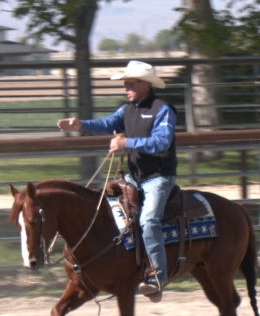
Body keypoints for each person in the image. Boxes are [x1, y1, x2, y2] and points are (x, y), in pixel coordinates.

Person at [57, 60, 177, 302]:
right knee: (108, 209)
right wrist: (81, 125)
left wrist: (126, 143)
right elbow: (107, 124)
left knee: (149, 220)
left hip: (158, 178)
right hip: (135, 177)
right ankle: (122, 266)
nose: (125, 88)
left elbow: (162, 142)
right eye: (125, 84)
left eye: (129, 83)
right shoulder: (127, 109)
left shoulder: (163, 110)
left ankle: (157, 275)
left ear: (144, 84)